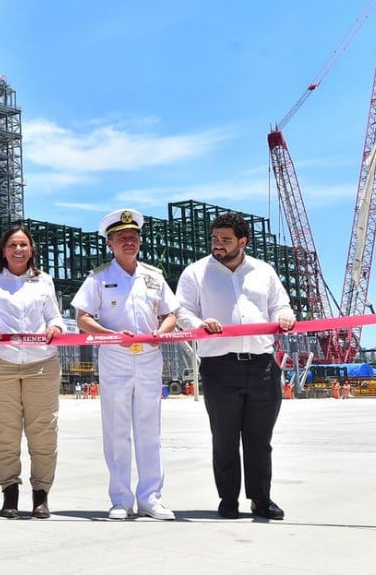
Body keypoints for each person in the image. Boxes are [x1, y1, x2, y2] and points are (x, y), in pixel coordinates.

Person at [175, 211, 296, 521]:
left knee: (259, 439)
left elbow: (280, 304)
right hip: (219, 366)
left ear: (242, 241)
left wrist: (285, 316)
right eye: (215, 238)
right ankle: (228, 499)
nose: (218, 245)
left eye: (225, 240)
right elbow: (182, 312)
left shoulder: (263, 271)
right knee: (225, 437)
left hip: (262, 366)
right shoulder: (196, 273)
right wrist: (201, 323)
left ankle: (261, 499)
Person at [71, 209, 178, 521]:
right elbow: (82, 318)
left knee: (150, 431)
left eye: (133, 237)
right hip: (115, 359)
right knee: (117, 430)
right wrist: (109, 335)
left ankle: (151, 498)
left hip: (148, 358)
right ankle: (121, 499)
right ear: (110, 243)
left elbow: (171, 313)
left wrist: (162, 332)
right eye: (122, 238)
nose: (129, 242)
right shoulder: (99, 278)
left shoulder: (154, 277)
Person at [0, 225, 65, 519]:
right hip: (0, 361)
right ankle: (9, 492)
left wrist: (56, 327)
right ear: (3, 249)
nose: (18, 250)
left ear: (31, 250)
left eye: (24, 245)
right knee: (4, 431)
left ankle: (41, 495)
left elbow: (54, 315)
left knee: (43, 431)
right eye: (12, 245)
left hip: (41, 362)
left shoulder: (43, 281)